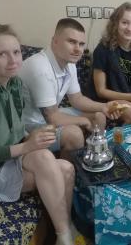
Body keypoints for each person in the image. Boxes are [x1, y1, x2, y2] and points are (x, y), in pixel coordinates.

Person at [0, 17, 76, 245]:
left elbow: (16, 131)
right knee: (47, 159)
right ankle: (65, 234)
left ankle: (62, 231)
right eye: (2, 54)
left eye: (17, 52)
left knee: (66, 167)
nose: (13, 61)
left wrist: (34, 137)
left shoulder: (14, 84)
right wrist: (27, 146)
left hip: (8, 160)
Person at [18, 18, 121, 160]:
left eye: (81, 44)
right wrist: (83, 121)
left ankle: (94, 159)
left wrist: (104, 107)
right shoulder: (40, 68)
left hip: (48, 116)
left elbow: (77, 99)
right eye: (71, 42)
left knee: (99, 116)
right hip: (27, 126)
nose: (78, 49)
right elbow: (53, 118)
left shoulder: (69, 63)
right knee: (74, 134)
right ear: (55, 41)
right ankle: (67, 171)